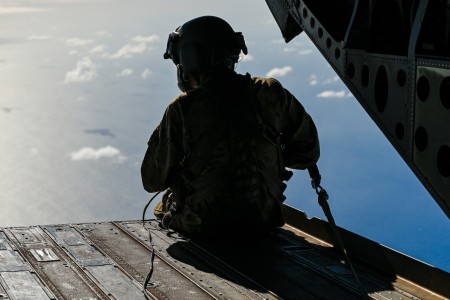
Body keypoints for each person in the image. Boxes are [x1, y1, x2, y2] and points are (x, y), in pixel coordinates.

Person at [141, 16, 320, 237]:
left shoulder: (182, 109)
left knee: (166, 203)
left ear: (191, 58)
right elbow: (307, 153)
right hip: (264, 221)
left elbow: (152, 180)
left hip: (203, 228)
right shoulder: (271, 92)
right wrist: (266, 157)